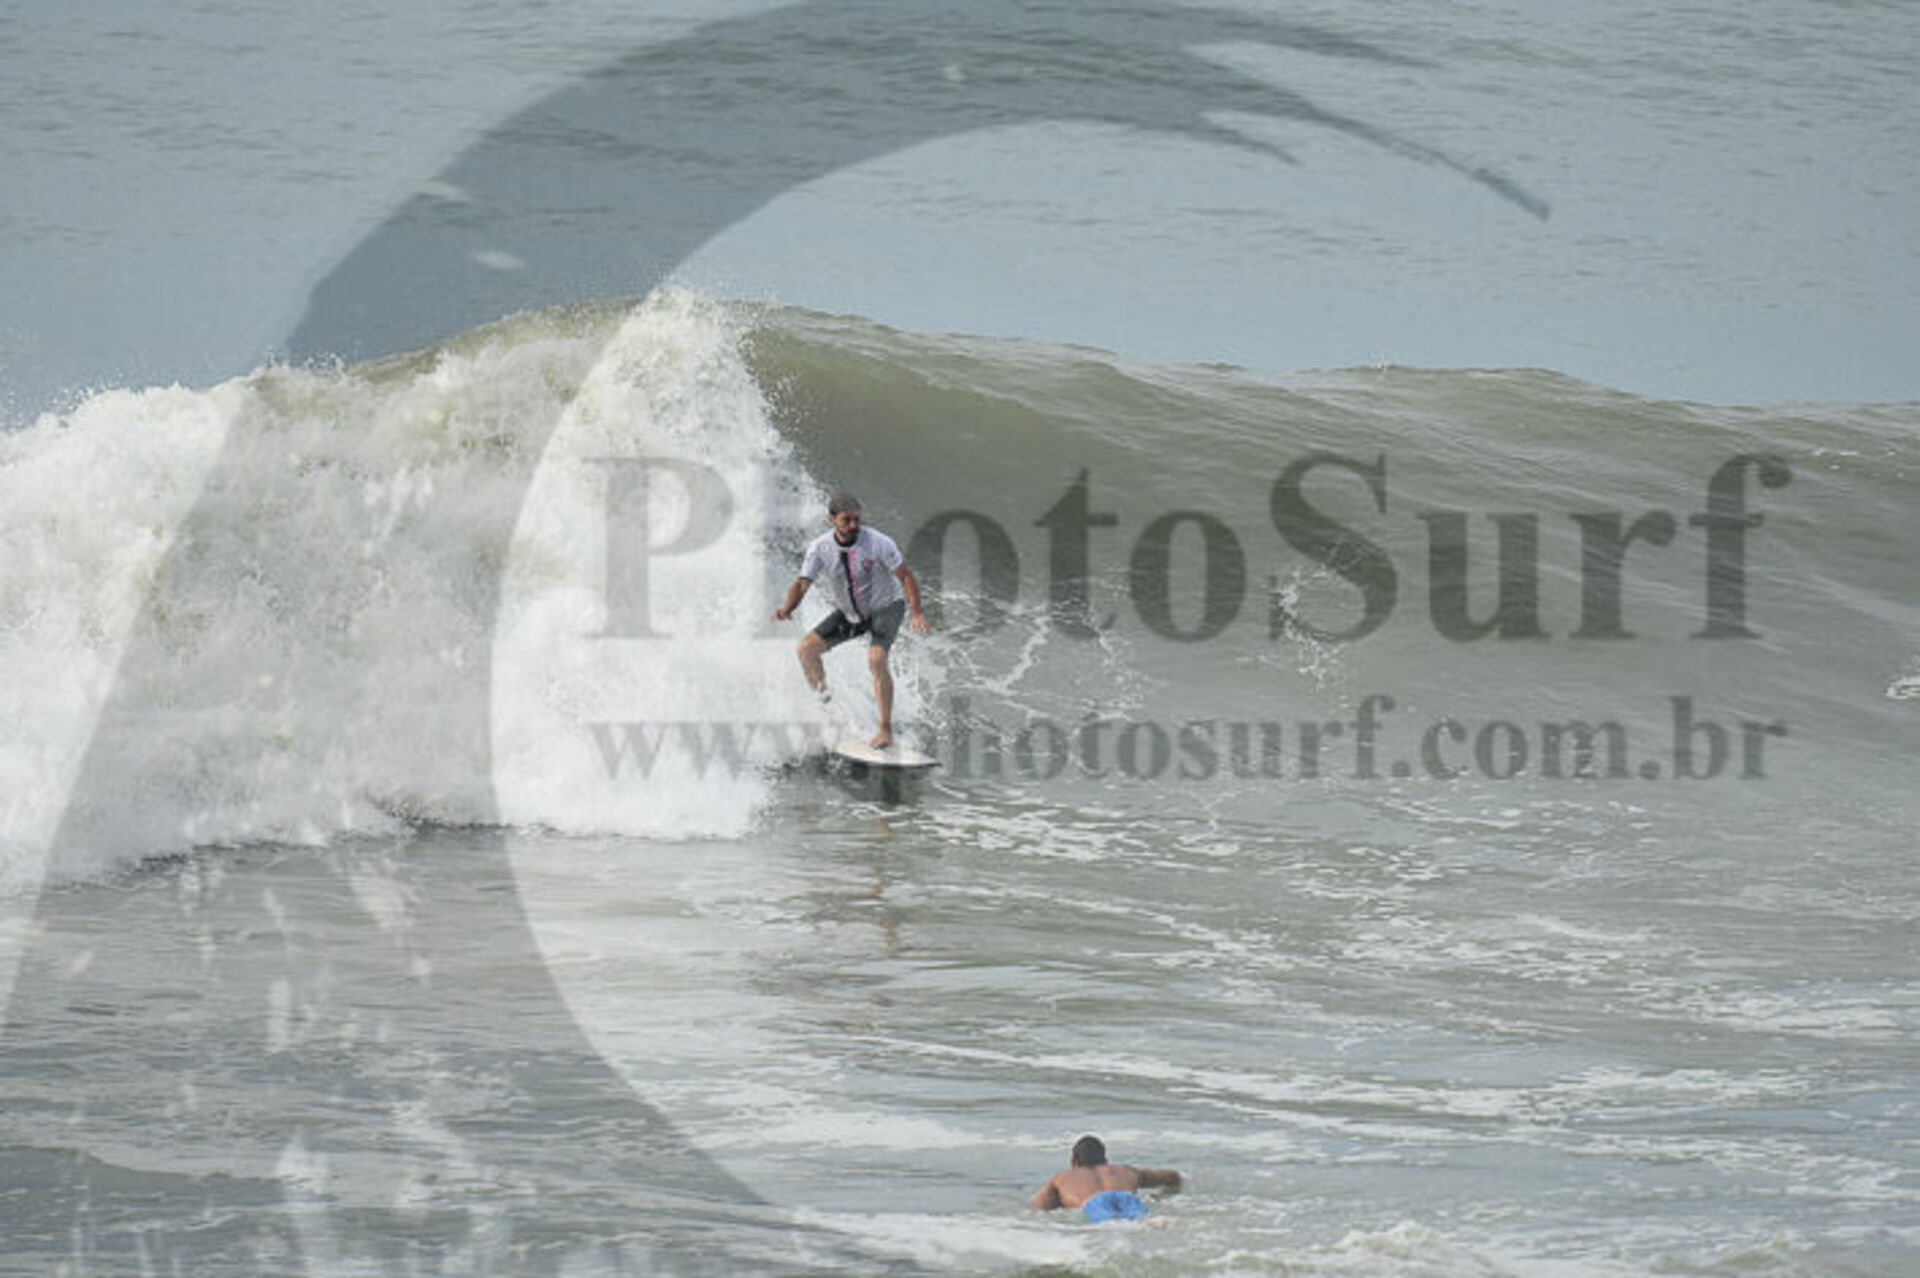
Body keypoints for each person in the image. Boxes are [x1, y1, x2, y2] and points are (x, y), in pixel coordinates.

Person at [772, 491, 930, 748]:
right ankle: (828, 715)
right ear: (832, 519)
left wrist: (917, 612)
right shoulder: (820, 548)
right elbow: (802, 583)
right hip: (851, 614)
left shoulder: (878, 542)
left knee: (876, 659)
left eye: (857, 519)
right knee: (806, 649)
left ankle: (885, 730)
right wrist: (787, 608)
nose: (854, 525)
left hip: (886, 607)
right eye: (847, 520)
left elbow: (906, 576)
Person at [1027, 1135, 1182, 1221]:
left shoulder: (1062, 1177)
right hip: (1127, 1198)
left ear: (1074, 1162)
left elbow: (1038, 1209)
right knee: (1143, 1223)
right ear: (1105, 1160)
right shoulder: (1124, 1170)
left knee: (1113, 1227)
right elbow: (1171, 1176)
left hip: (1095, 1203)